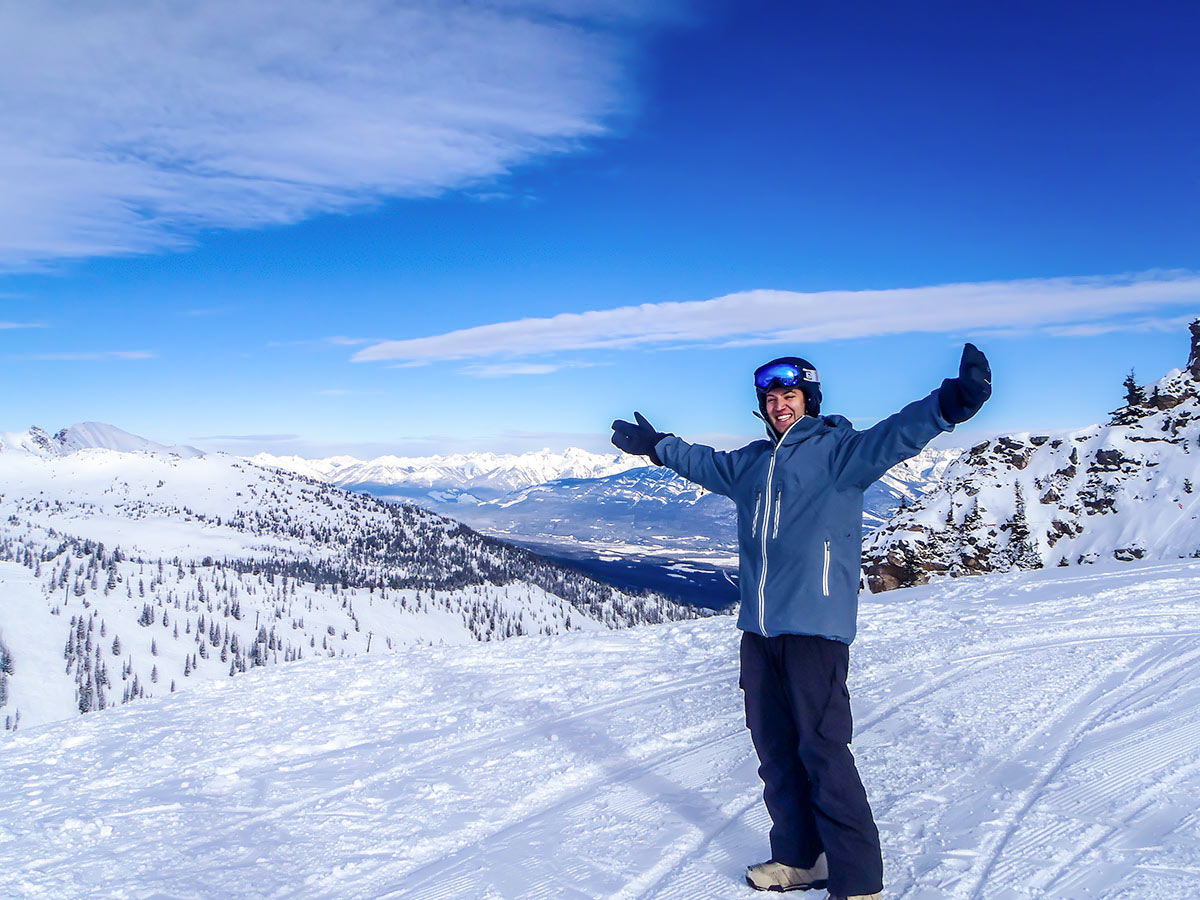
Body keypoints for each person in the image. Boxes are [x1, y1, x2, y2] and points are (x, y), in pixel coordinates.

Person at [610, 345, 991, 900]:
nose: (779, 405)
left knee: (823, 753)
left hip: (816, 629)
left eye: (789, 395)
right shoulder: (750, 464)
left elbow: (897, 434)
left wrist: (951, 403)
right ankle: (800, 858)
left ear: (809, 401)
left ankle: (858, 882)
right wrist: (657, 446)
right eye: (770, 398)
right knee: (775, 752)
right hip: (760, 632)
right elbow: (702, 462)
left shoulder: (840, 454)